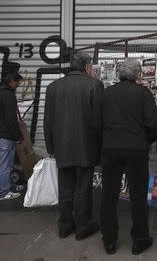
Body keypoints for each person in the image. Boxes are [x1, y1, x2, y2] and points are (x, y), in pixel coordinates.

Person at [100, 59, 157, 255]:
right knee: (138, 195)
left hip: (110, 148)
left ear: (119, 74)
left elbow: (94, 122)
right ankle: (140, 240)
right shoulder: (142, 93)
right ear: (138, 75)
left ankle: (109, 241)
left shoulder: (106, 93)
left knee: (108, 195)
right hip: (136, 149)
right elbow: (153, 123)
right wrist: (146, 141)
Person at [44, 53, 104, 240]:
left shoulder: (53, 87)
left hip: (61, 146)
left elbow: (48, 120)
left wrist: (50, 146)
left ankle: (65, 226)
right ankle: (83, 226)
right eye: (91, 67)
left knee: (65, 187)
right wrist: (101, 146)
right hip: (86, 145)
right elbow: (98, 120)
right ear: (86, 67)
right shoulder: (94, 85)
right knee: (84, 187)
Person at [0, 71, 25, 201]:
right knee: (6, 165)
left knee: (5, 163)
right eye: (17, 81)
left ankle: (10, 187)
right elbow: (11, 119)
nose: (19, 84)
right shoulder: (8, 95)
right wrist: (19, 137)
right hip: (5, 136)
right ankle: (3, 193)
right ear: (11, 81)